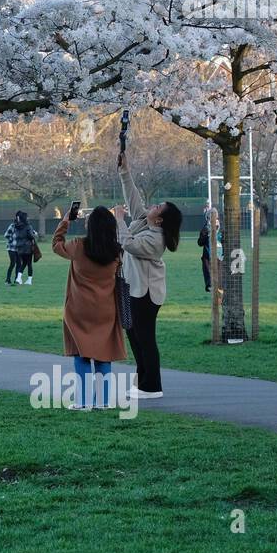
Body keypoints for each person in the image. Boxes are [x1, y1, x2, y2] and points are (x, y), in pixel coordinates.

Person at [113, 153, 182, 399]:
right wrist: (125, 171)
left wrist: (120, 220)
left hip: (146, 294)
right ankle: (143, 382)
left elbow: (129, 244)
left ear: (160, 218)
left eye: (157, 207)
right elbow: (133, 198)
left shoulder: (156, 239)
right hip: (133, 289)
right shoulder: (145, 223)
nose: (152, 207)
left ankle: (152, 386)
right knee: (134, 335)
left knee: (145, 338)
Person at [53, 206, 126, 409]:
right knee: (104, 354)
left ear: (91, 227)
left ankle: (83, 401)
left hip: (79, 309)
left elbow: (56, 245)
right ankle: (103, 401)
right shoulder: (116, 251)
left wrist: (65, 221)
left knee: (81, 353)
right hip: (106, 309)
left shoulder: (78, 246)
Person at [5, 211, 37, 286]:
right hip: (14, 248)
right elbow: (6, 235)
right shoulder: (14, 226)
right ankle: (9, 279)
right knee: (14, 263)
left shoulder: (21, 226)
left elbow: (30, 232)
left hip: (19, 247)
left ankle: (17, 279)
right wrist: (12, 241)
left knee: (20, 263)